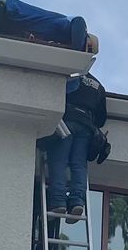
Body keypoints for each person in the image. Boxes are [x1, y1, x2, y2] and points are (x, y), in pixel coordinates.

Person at [39, 71, 107, 222]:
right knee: (78, 165)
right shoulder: (97, 85)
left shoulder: (69, 75)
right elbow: (101, 119)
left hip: (66, 122)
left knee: (59, 162)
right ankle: (77, 202)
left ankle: (58, 202)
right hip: (86, 127)